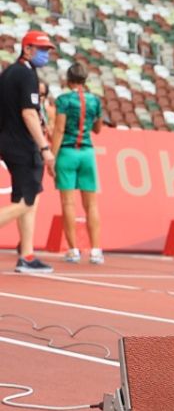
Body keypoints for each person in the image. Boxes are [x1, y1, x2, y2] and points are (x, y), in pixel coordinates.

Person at [0, 31, 57, 273]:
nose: (45, 54)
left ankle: (27, 255)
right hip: (23, 146)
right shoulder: (25, 75)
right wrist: (45, 148)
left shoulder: (9, 72)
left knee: (27, 198)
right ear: (27, 49)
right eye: (41, 49)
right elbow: (29, 113)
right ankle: (27, 256)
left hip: (8, 142)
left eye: (47, 50)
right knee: (27, 201)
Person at [51, 62, 104, 264]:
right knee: (91, 204)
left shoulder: (63, 100)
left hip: (67, 151)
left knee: (68, 202)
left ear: (68, 79)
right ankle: (96, 250)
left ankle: (73, 249)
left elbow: (59, 130)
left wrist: (51, 157)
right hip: (87, 152)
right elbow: (98, 129)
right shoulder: (94, 101)